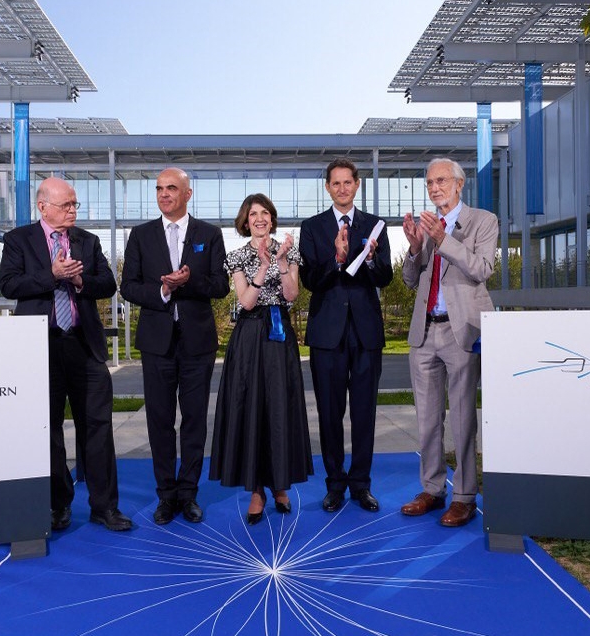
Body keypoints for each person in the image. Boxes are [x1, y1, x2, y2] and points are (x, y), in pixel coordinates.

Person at [0, 177, 131, 533]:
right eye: (66, 205)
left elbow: (108, 284)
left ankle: (105, 507)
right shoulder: (18, 240)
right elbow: (9, 284)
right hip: (39, 347)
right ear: (43, 207)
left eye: (75, 204)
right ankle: (58, 505)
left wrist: (78, 282)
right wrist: (51, 274)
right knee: (49, 429)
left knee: (99, 427)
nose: (73, 210)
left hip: (84, 346)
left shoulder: (87, 241)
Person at [121, 167, 228, 525]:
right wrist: (165, 290)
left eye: (171, 188)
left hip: (197, 344)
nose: (164, 194)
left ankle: (188, 494)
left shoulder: (209, 235)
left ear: (187, 194)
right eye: (159, 188)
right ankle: (166, 496)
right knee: (160, 421)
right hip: (156, 345)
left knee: (195, 420)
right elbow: (129, 287)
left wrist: (188, 281)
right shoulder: (140, 235)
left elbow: (220, 285)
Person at [399, 157, 498, 528]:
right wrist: (413, 248)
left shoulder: (483, 221)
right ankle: (432, 488)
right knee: (426, 420)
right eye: (429, 183)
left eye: (441, 180)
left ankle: (465, 496)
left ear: (459, 184)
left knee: (462, 419)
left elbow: (482, 268)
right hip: (424, 332)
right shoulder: (427, 226)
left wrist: (442, 240)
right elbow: (411, 280)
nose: (434, 187)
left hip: (462, 332)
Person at [209, 194, 313, 525]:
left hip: (280, 337)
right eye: (253, 213)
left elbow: (292, 294)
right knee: (252, 408)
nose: (259, 218)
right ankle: (256, 489)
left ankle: (280, 485)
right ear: (245, 220)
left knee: (280, 409)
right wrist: (265, 265)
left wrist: (281, 262)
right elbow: (247, 301)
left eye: (265, 212)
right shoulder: (237, 256)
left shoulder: (291, 251)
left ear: (272, 218)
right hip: (250, 337)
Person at [298, 158, 393, 513]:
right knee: (329, 413)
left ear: (357, 185)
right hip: (327, 334)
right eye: (335, 183)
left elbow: (385, 277)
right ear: (328, 187)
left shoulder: (375, 226)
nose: (342, 188)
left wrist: (368, 258)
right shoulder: (312, 227)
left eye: (347, 182)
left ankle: (361, 485)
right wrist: (337, 259)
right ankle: (335, 484)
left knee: (365, 413)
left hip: (366, 333)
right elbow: (310, 282)